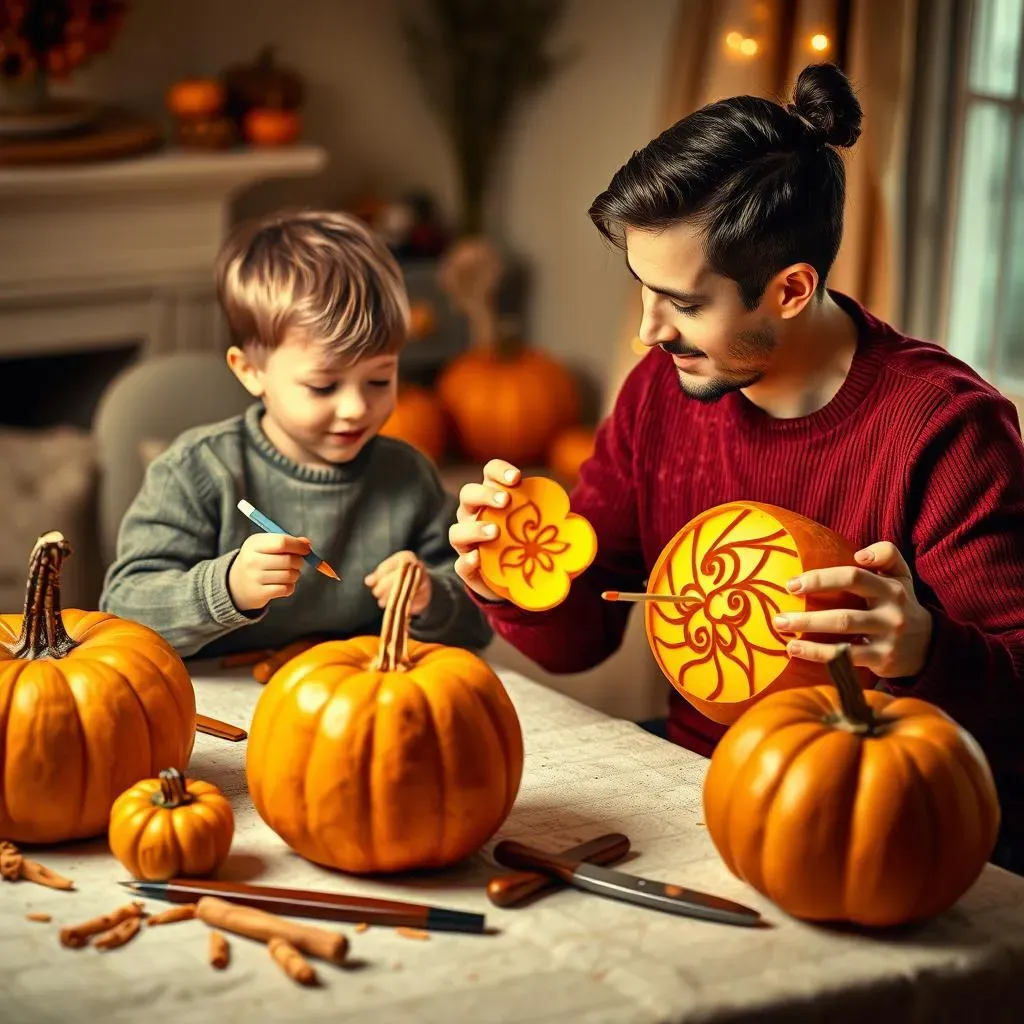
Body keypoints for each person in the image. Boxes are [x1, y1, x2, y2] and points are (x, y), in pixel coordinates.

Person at [448, 64, 1024, 873]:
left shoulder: (946, 430)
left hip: (882, 820)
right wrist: (504, 574)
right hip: (695, 785)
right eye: (642, 290)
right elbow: (585, 630)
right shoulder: (662, 388)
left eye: (684, 304)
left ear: (790, 289)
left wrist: (927, 650)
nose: (649, 331)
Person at [101, 209, 492, 658]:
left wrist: (429, 598)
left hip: (356, 700)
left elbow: (480, 623)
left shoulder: (407, 475)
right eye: (323, 386)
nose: (356, 408)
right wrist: (226, 588)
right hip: (213, 708)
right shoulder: (196, 471)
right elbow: (123, 610)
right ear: (250, 372)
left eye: (380, 380)